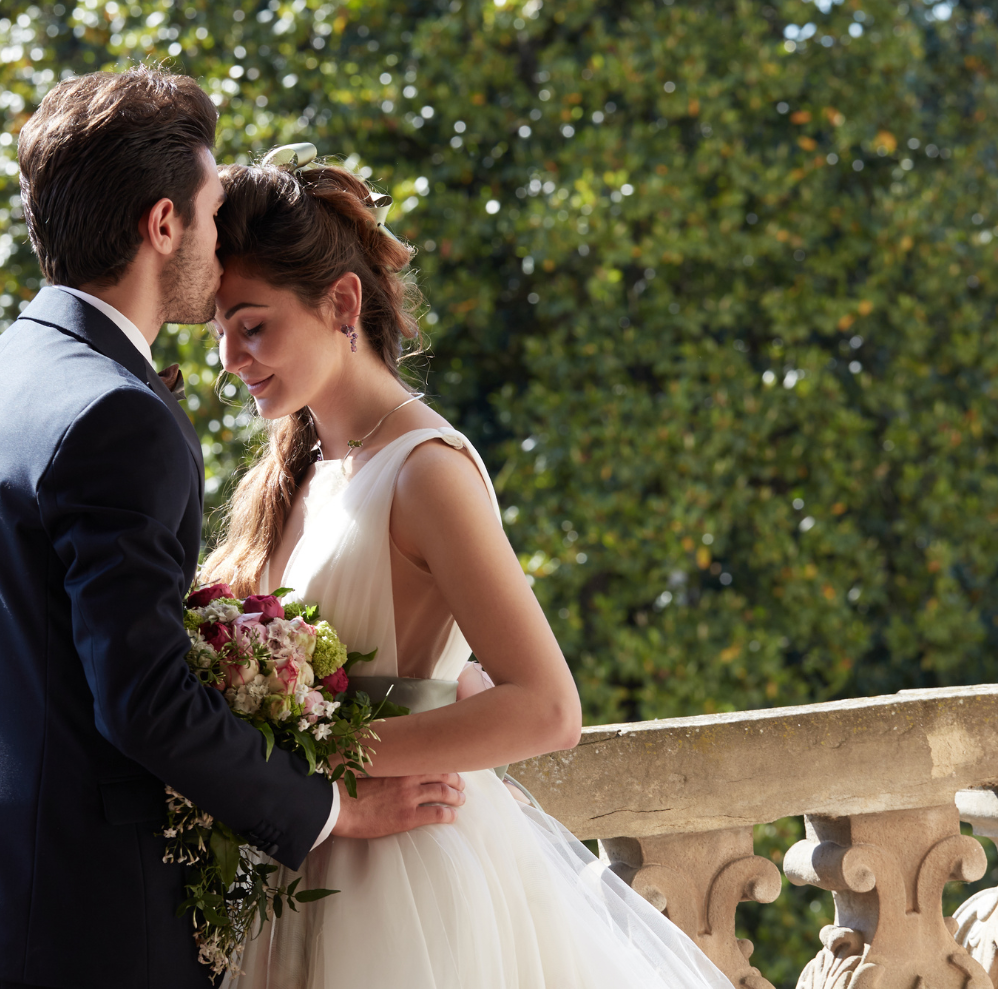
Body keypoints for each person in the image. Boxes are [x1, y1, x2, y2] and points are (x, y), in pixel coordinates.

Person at [0, 72, 463, 989]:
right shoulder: (113, 416)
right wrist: (328, 809)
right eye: (211, 212)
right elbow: (144, 702)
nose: (219, 238)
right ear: (163, 224)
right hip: (100, 927)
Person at [204, 147, 735, 989]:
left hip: (401, 887)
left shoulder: (426, 471)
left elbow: (547, 708)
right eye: (221, 330)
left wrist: (333, 762)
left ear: (342, 302)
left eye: (253, 324)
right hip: (302, 862)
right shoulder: (299, 468)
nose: (229, 357)